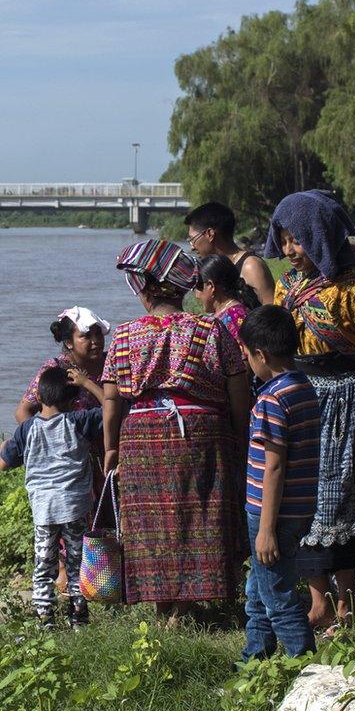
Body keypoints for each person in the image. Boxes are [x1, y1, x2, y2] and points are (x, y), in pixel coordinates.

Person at [102, 238, 252, 616]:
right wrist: (239, 437)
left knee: (150, 522)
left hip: (140, 435)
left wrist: (111, 448)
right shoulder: (211, 329)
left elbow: (111, 402)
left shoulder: (123, 335)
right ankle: (191, 603)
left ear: (148, 288)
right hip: (203, 434)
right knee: (197, 514)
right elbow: (238, 389)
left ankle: (164, 606)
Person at [269, 190, 355, 630]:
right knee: (302, 499)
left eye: (297, 241)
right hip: (303, 402)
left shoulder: (354, 290)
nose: (289, 251)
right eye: (283, 241)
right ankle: (317, 599)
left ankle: (347, 598)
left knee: (341, 496)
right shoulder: (287, 287)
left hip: (348, 402)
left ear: (320, 237)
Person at [239, 305, 322, 660]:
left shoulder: (271, 399)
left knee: (279, 599)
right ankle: (253, 661)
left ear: (261, 354)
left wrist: (266, 529)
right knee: (259, 590)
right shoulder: (303, 387)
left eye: (246, 355)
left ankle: (305, 668)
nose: (246, 362)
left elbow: (273, 467)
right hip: (299, 508)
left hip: (272, 513)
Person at [0, 367, 106, 628]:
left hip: (44, 510)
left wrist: (4, 447)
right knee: (77, 562)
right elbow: (112, 407)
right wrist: (88, 382)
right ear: (72, 400)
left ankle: (44, 618)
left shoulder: (27, 429)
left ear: (41, 396)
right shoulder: (78, 421)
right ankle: (78, 617)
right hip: (75, 506)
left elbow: (2, 463)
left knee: (44, 564)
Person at [15, 307, 110, 424]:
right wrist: (40, 437)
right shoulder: (57, 368)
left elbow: (117, 407)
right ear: (69, 343)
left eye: (98, 333)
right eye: (86, 336)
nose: (95, 341)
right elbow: (23, 411)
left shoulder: (111, 362)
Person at [187, 201, 275, 305]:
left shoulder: (251, 266)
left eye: (193, 239)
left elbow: (273, 314)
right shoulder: (215, 269)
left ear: (210, 234)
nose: (191, 247)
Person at [194, 254, 259, 347]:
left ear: (211, 286)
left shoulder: (235, 317)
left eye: (197, 287)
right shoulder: (229, 314)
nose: (196, 295)